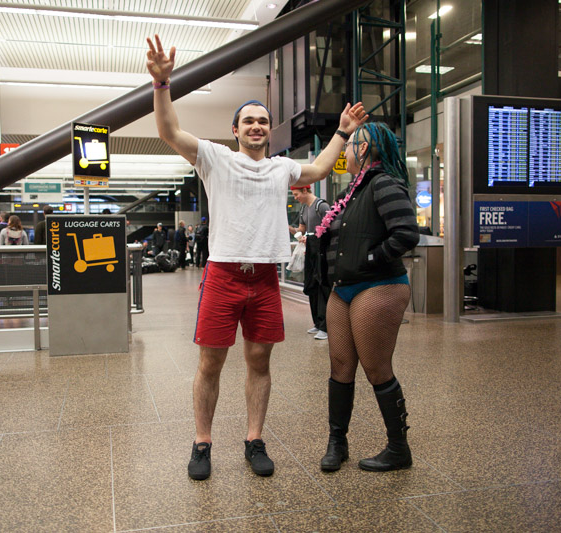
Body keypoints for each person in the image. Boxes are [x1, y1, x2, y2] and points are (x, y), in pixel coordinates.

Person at [146, 34, 366, 481]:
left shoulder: (281, 168)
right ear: (235, 130)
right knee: (210, 362)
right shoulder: (214, 159)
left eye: (262, 121)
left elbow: (322, 168)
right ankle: (202, 443)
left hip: (264, 279)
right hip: (224, 275)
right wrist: (162, 85)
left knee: (259, 362)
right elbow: (169, 131)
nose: (256, 127)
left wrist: (342, 132)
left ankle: (254, 440)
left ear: (269, 129)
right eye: (248, 121)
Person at [316, 122, 419, 474]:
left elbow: (406, 233)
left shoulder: (384, 183)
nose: (344, 151)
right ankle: (337, 442)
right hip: (342, 289)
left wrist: (371, 258)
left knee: (376, 368)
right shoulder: (354, 190)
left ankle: (398, 448)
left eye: (349, 145)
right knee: (340, 367)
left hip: (377, 286)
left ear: (362, 149)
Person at [288, 185, 331, 341]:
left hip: (321, 251)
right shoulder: (303, 209)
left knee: (322, 286)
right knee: (312, 285)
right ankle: (318, 323)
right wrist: (290, 229)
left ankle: (326, 326)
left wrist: (313, 238)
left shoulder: (321, 206)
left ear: (305, 191)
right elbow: (301, 229)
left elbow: (330, 227)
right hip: (311, 251)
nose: (295, 197)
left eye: (296, 194)